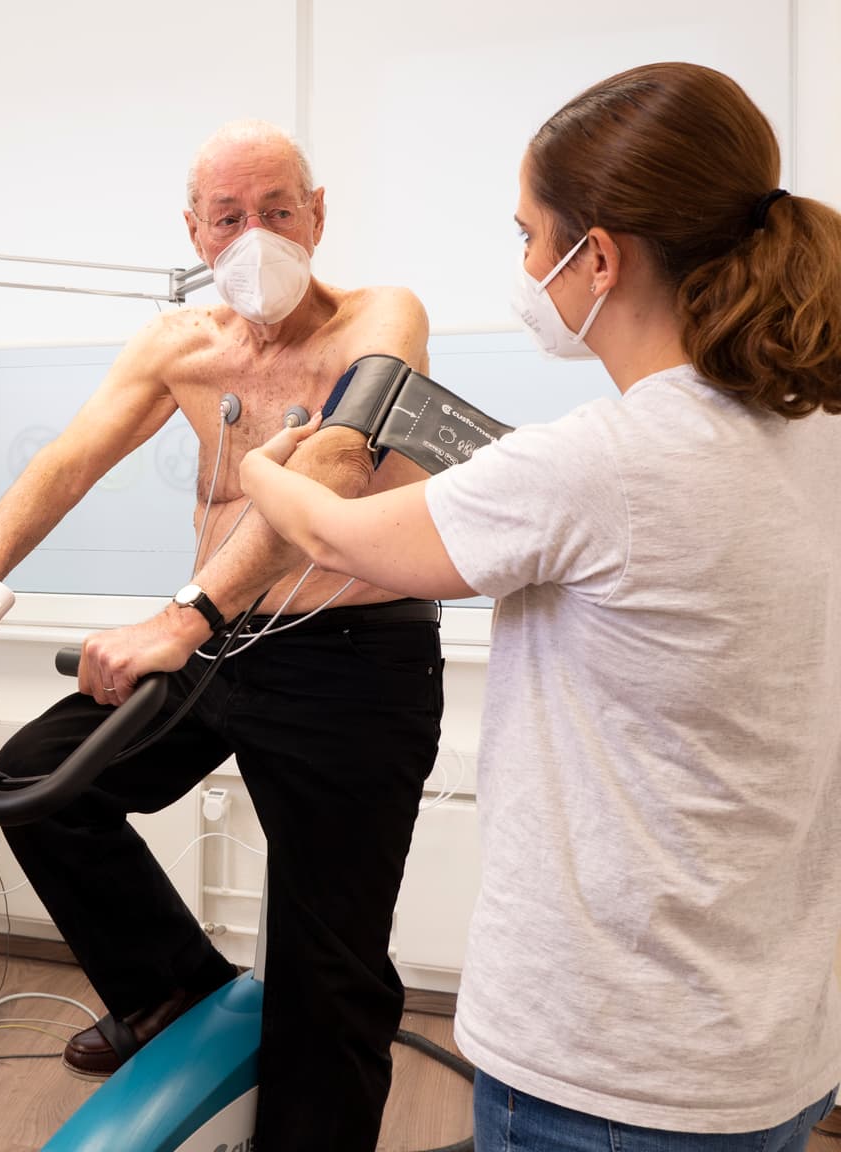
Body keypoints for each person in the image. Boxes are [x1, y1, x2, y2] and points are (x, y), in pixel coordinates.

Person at [239, 63, 841, 1149]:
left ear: (598, 256)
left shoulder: (599, 464)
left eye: (530, 238)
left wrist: (264, 466)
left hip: (606, 1066)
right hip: (768, 1045)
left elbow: (332, 533)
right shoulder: (812, 427)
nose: (525, 267)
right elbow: (615, 538)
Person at [0, 120, 445, 1148]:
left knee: (330, 964)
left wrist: (184, 618)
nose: (255, 233)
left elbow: (340, 466)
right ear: (194, 230)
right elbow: (65, 466)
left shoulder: (381, 316)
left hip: (354, 660)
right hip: (223, 643)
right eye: (229, 217)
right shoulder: (180, 347)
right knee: (34, 786)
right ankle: (173, 992)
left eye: (277, 209)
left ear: (319, 215)